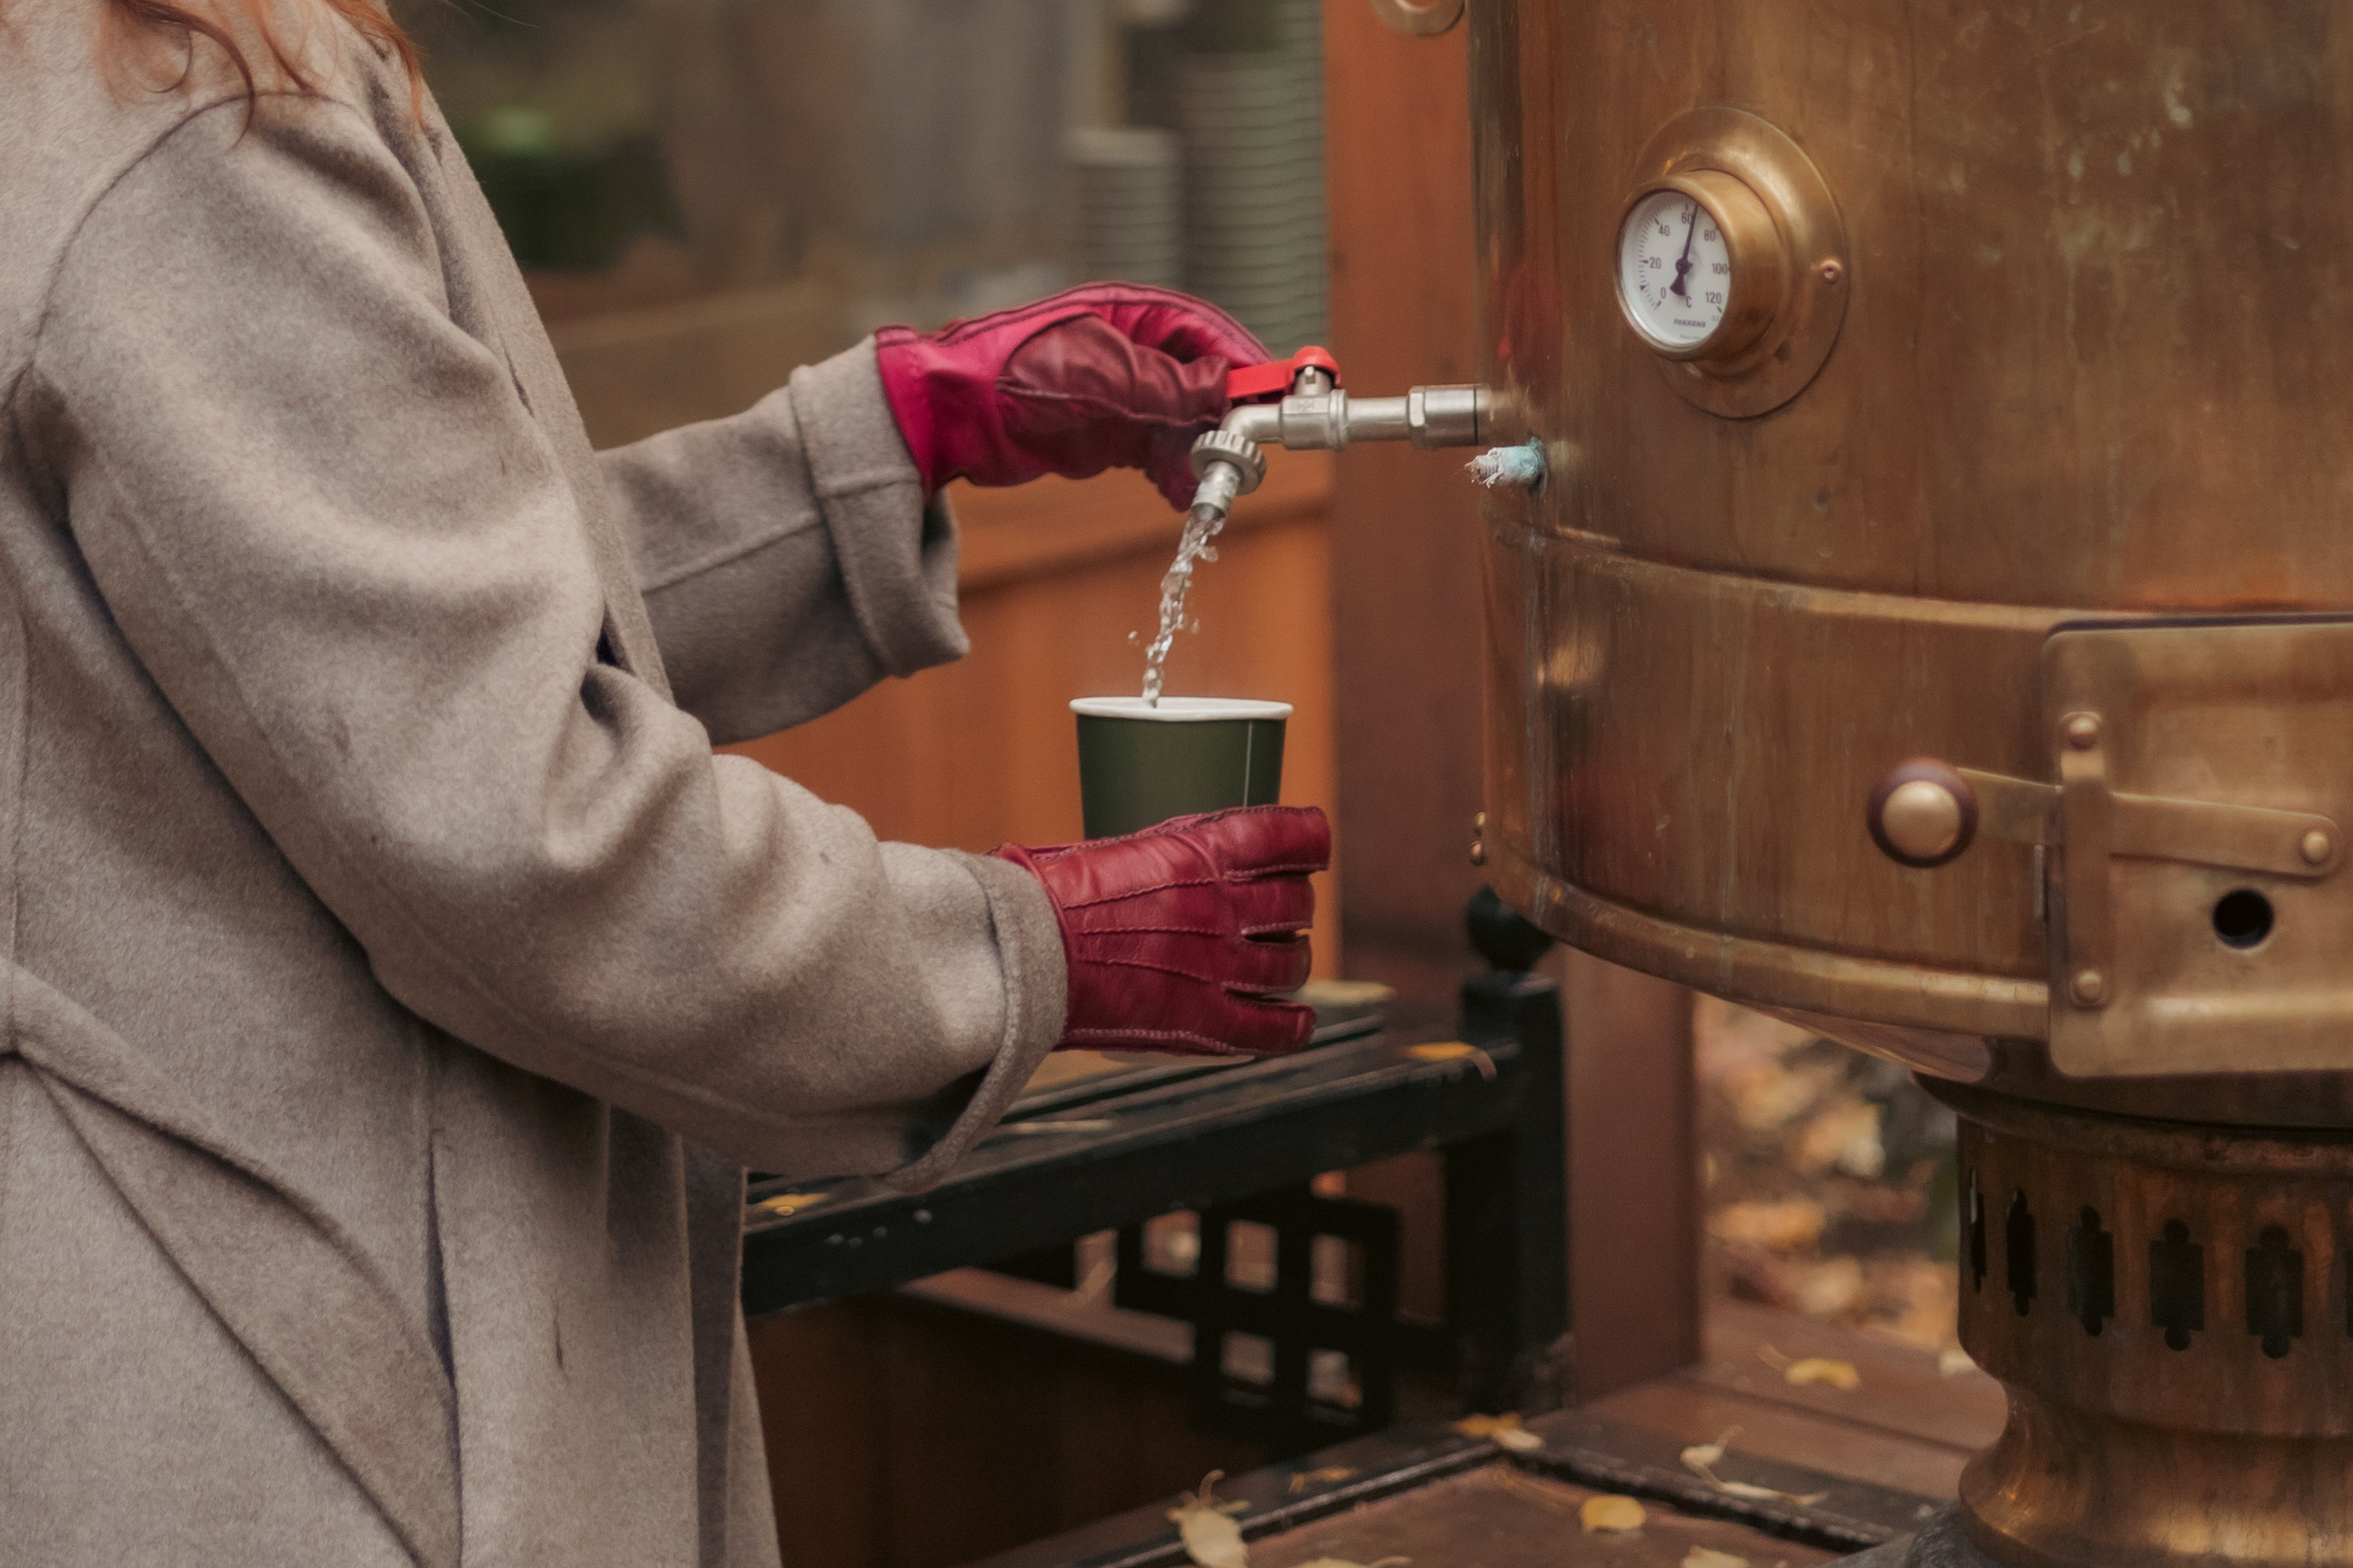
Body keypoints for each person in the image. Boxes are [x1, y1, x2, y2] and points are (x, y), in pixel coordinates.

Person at [0, 2, 1331, 1563]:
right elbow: (523, 835)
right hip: (298, 1381)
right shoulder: (179, 98)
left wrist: (889, 441)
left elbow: (388, 629)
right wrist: (1016, 946)